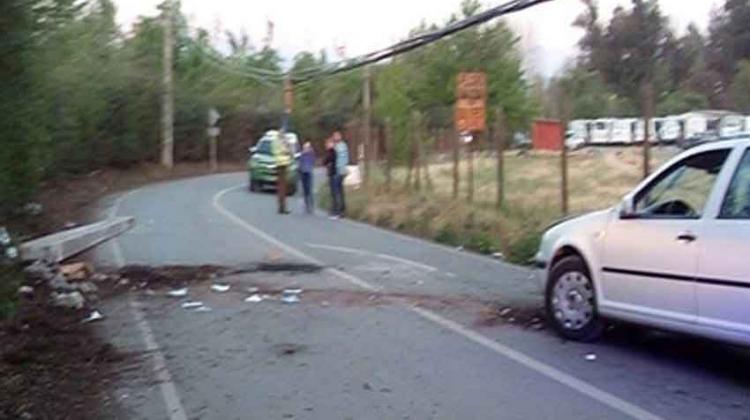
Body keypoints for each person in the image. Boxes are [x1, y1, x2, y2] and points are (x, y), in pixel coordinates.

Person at [271, 131, 292, 214]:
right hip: (283, 164)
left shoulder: (274, 142)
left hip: (278, 163)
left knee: (280, 186)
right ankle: (282, 208)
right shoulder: (280, 142)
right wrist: (286, 144)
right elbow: (286, 151)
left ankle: (281, 206)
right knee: (282, 187)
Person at [333, 131, 350, 218]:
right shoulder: (343, 145)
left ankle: (339, 211)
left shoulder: (339, 146)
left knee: (337, 191)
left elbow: (337, 158)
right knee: (340, 191)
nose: (334, 138)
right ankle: (342, 210)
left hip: (339, 170)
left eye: (335, 136)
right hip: (342, 170)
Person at [323, 138, 338, 217]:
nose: (326, 145)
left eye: (328, 144)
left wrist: (327, 162)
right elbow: (325, 162)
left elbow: (326, 161)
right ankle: (333, 209)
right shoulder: (330, 152)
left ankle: (335, 210)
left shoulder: (332, 152)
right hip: (331, 173)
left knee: (334, 193)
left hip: (334, 173)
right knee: (332, 193)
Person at [298, 141, 316, 214]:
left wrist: (307, 152)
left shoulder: (310, 154)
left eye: (307, 147)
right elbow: (300, 162)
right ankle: (306, 204)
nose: (305, 148)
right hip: (303, 173)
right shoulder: (302, 154)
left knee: (309, 189)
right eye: (304, 147)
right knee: (305, 190)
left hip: (308, 172)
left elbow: (312, 161)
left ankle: (311, 205)